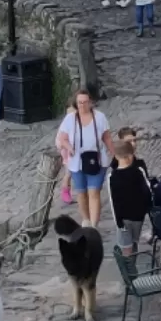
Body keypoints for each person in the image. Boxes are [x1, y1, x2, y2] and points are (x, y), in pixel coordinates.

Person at [55, 89, 114, 226]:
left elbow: (107, 138)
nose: (82, 105)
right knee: (81, 192)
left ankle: (94, 225)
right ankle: (86, 220)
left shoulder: (100, 117)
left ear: (91, 102)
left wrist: (115, 154)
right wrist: (69, 147)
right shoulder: (70, 119)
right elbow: (62, 138)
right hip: (77, 161)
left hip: (96, 159)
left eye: (85, 102)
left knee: (94, 192)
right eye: (80, 103)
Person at [108, 138, 153, 255]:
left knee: (126, 248)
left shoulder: (112, 177)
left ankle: (130, 270)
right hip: (138, 216)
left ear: (116, 156)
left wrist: (118, 222)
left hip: (123, 219)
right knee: (134, 243)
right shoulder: (139, 171)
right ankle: (133, 264)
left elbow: (113, 202)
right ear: (131, 154)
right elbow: (148, 192)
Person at [56, 99, 75, 206]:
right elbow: (59, 141)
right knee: (69, 172)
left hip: (76, 150)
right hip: (68, 151)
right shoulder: (66, 124)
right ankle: (65, 192)